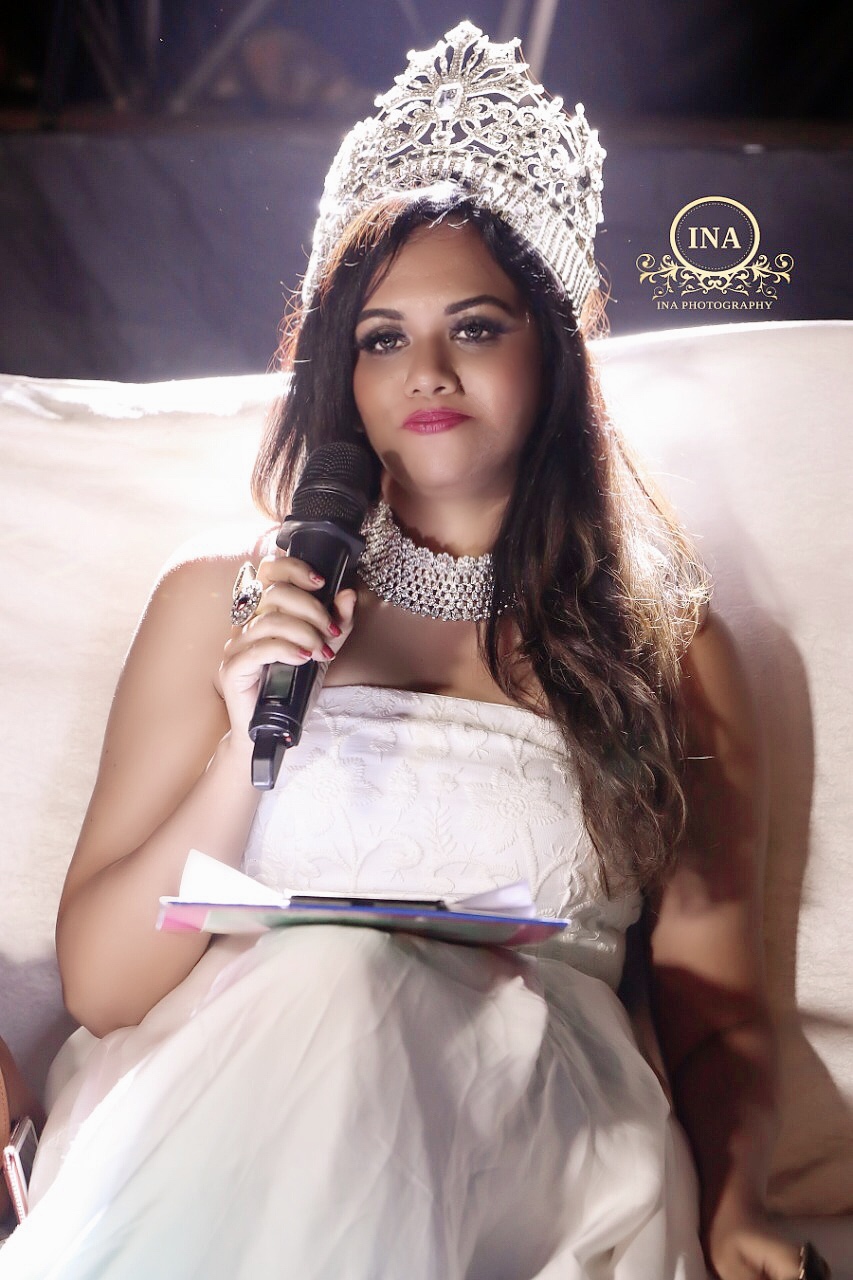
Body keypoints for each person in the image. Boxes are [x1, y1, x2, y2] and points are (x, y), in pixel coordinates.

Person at [0, 22, 829, 1280]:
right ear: (342, 371)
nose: (424, 370)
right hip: (227, 1123)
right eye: (381, 337)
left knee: (358, 1001)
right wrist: (246, 737)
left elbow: (717, 1019)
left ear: (554, 354)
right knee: (329, 994)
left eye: (475, 327)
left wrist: (739, 1202)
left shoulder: (664, 648)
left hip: (537, 1136)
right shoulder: (221, 601)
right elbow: (107, 985)